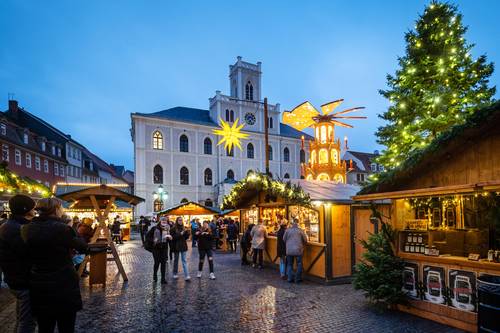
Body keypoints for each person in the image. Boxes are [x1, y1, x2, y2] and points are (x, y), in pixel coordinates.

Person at [22, 197, 89, 333]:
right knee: (66, 325)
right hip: (63, 282)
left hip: (38, 282)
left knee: (44, 326)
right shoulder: (63, 228)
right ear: (56, 209)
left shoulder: (26, 228)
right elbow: (83, 247)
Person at [0, 195, 37, 333]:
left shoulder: (12, 225)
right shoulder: (16, 228)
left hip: (17, 278)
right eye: (33, 208)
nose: (34, 211)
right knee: (27, 322)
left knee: (22, 318)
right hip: (22, 280)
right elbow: (26, 252)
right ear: (26, 209)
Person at [283, 218, 308, 283]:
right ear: (298, 223)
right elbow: (305, 240)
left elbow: (284, 239)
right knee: (299, 264)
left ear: (292, 223)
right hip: (298, 250)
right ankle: (297, 279)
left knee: (290, 264)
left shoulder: (288, 230)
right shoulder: (300, 230)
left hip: (289, 250)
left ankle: (290, 278)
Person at [152, 217, 172, 284]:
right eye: (163, 220)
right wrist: (154, 241)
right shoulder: (155, 228)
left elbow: (169, 239)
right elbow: (148, 236)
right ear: (160, 221)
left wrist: (170, 238)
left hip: (164, 248)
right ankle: (155, 274)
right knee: (157, 263)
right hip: (156, 249)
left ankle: (163, 279)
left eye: (165, 220)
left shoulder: (167, 228)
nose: (164, 221)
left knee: (163, 263)